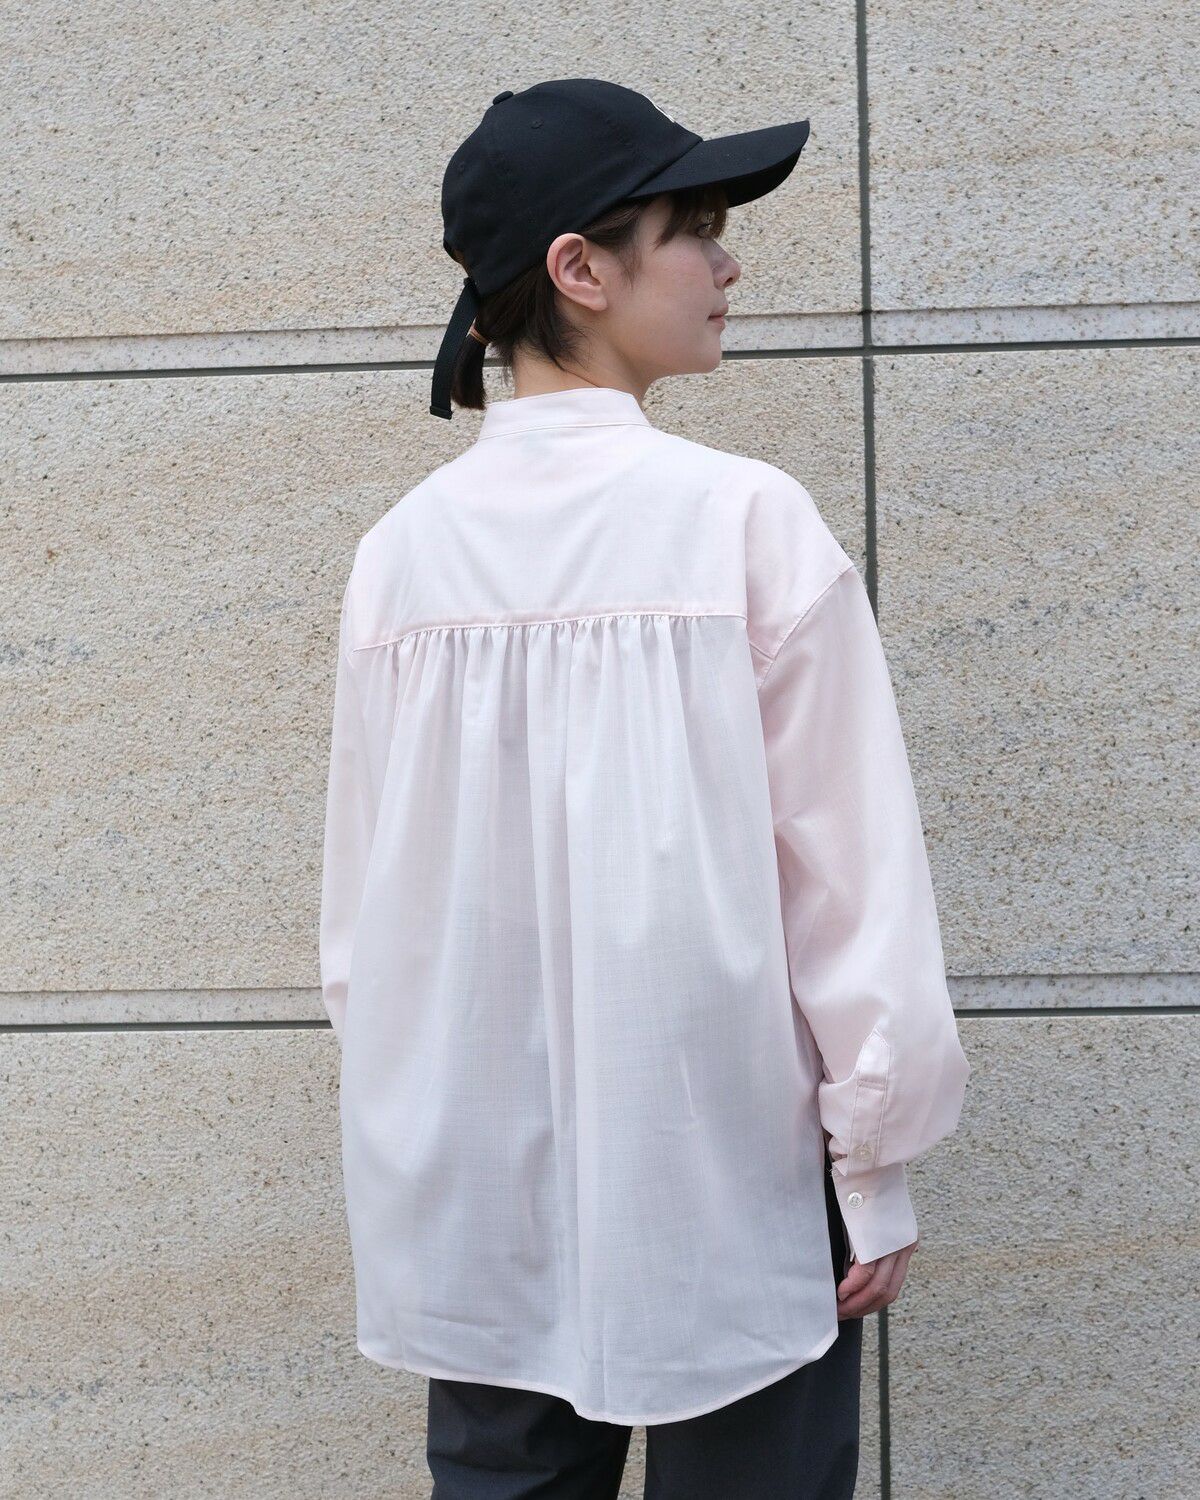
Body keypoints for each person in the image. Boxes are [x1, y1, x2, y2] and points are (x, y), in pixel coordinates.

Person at [319, 79, 971, 1498]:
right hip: (725, 1176)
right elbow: (849, 882)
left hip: (476, 1192)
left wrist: (418, 1145)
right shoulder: (742, 520)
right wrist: (872, 1164)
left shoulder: (401, 556)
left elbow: (367, 929)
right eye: (696, 230)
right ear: (581, 267)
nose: (727, 266)